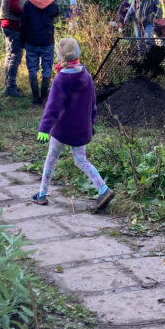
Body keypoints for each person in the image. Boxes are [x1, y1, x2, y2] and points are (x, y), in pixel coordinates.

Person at [31, 37, 114, 212]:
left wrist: (44, 129)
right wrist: (90, 125)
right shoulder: (86, 75)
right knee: (80, 160)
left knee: (51, 159)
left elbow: (52, 107)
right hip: (80, 128)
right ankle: (103, 189)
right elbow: (93, 104)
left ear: (60, 55)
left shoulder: (61, 79)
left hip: (61, 129)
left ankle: (42, 194)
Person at [20, 0, 59, 105]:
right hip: (47, 41)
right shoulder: (53, 4)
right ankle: (44, 97)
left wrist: (22, 41)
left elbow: (23, 23)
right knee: (47, 69)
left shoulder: (28, 3)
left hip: (31, 41)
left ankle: (35, 97)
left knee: (32, 69)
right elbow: (56, 14)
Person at [0, 0, 28, 97]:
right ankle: (11, 87)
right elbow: (14, 8)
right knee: (15, 56)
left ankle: (9, 85)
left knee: (10, 55)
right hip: (13, 25)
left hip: (9, 25)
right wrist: (27, 13)